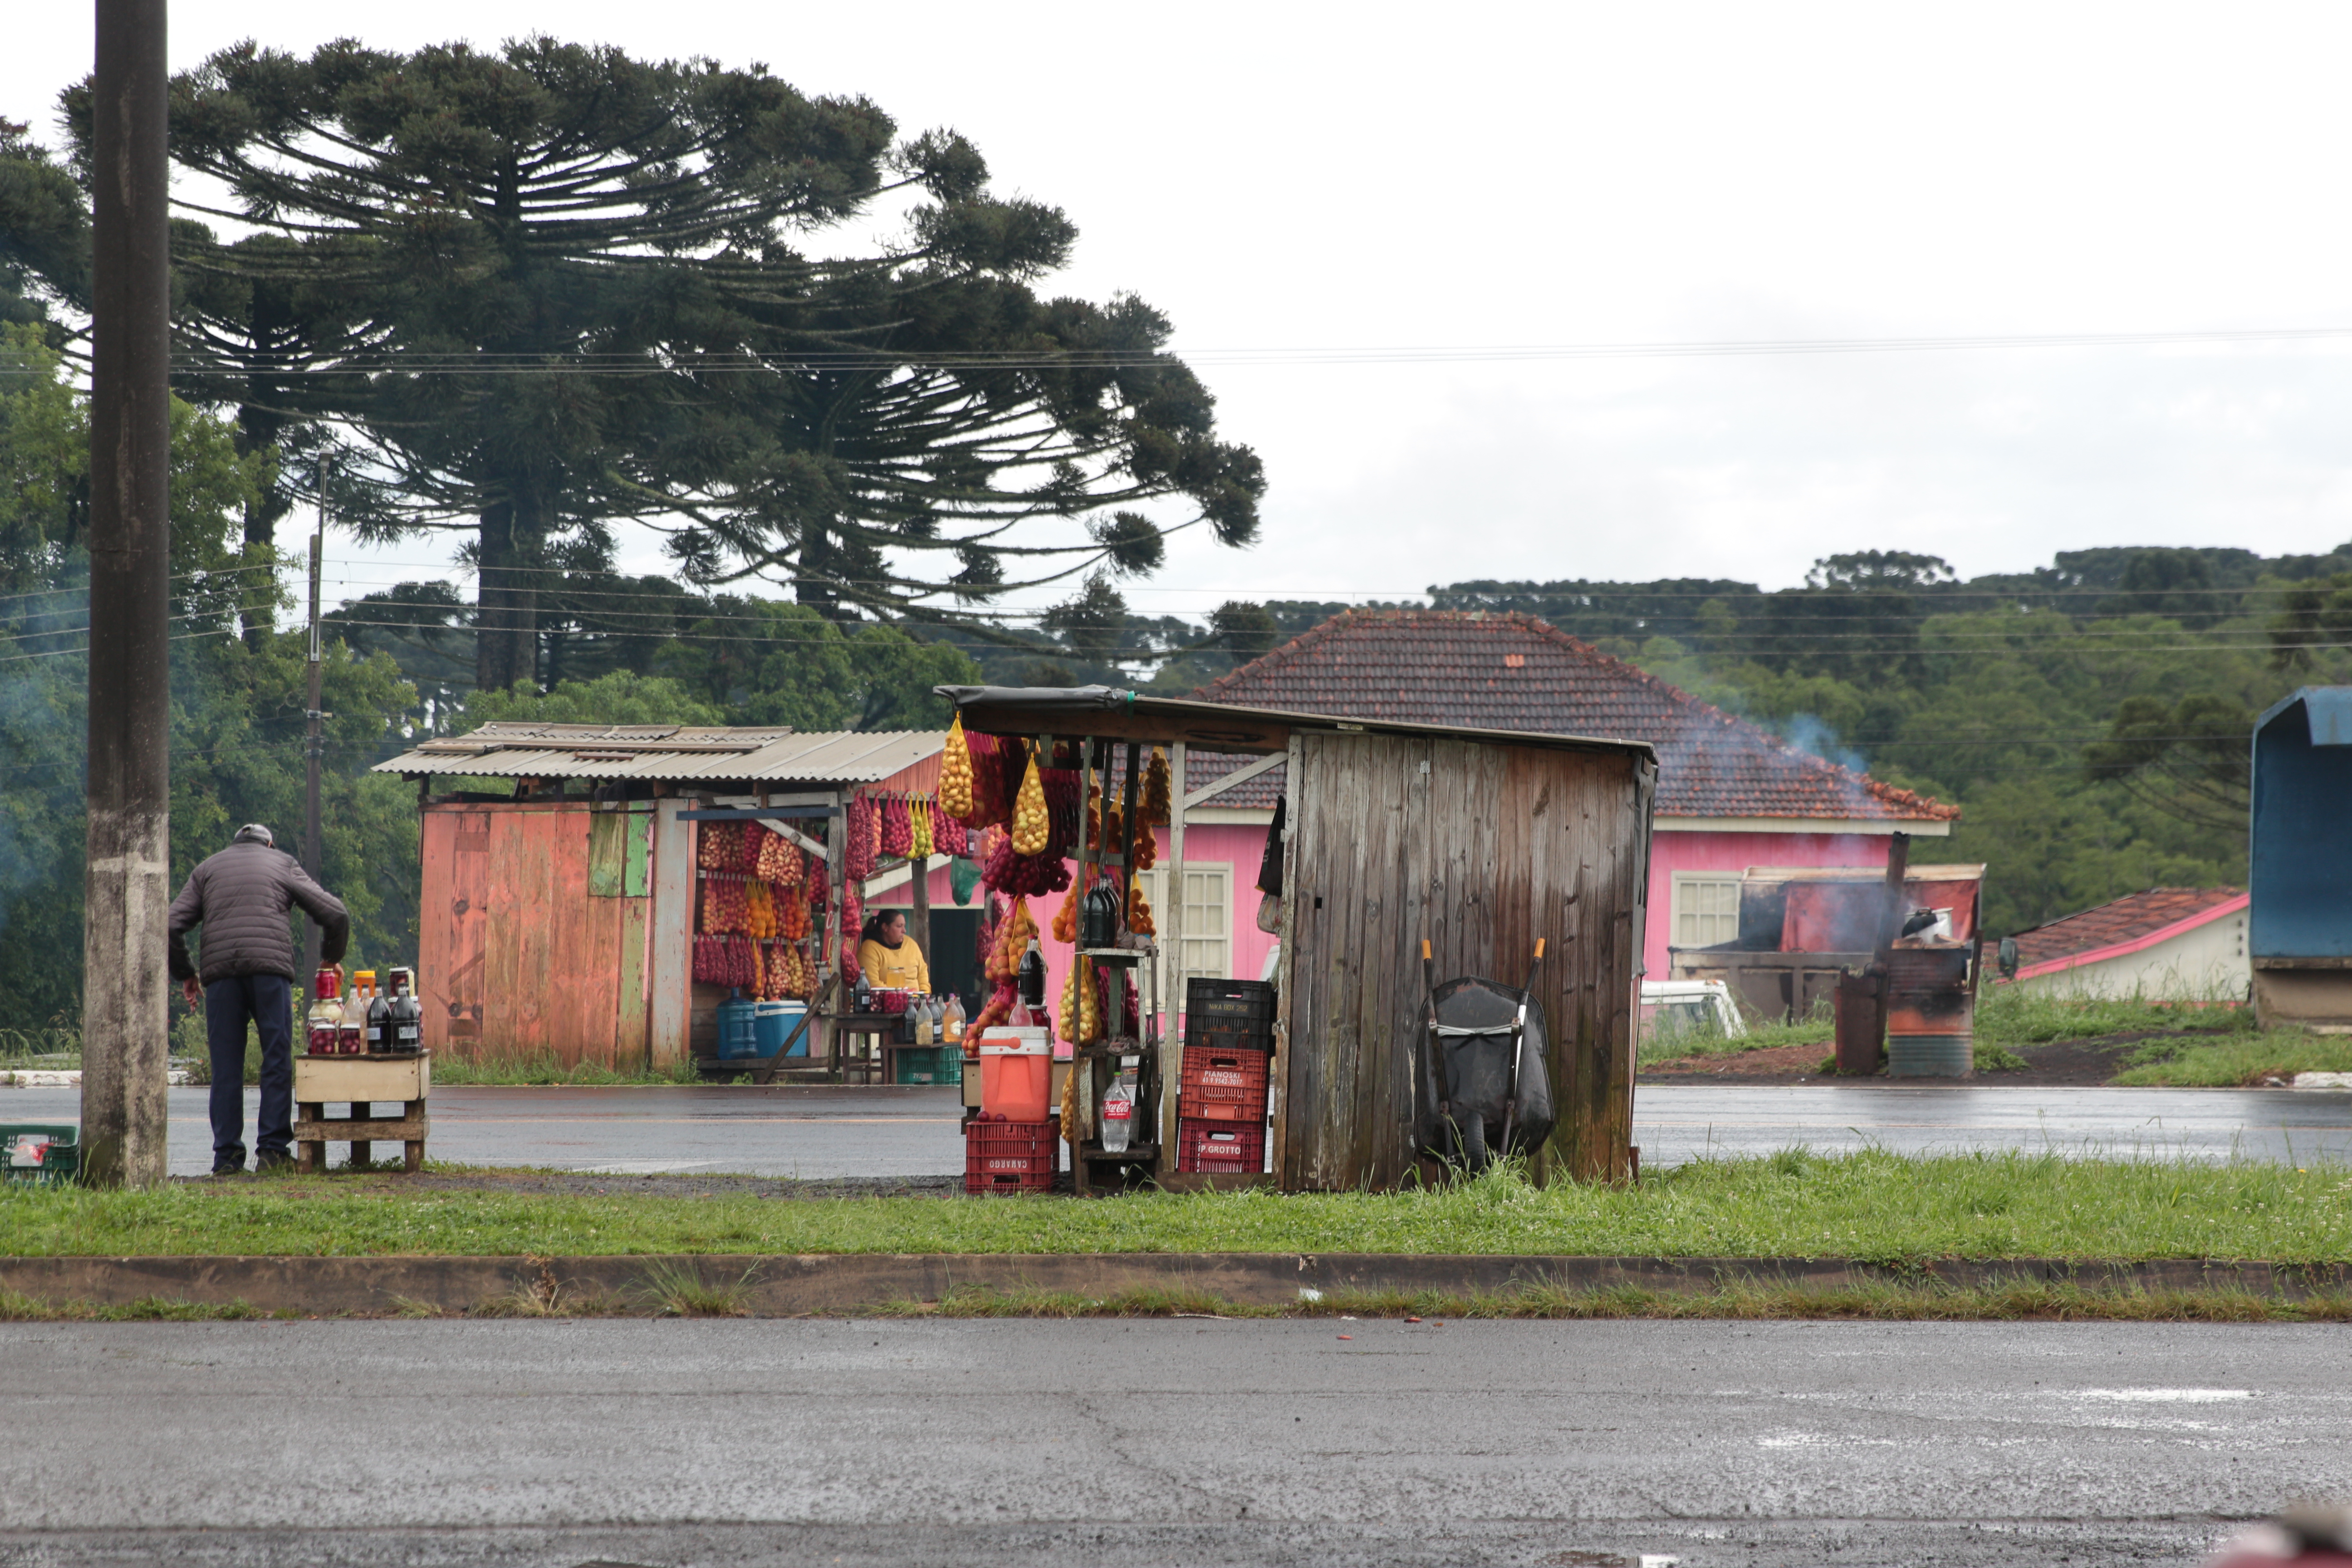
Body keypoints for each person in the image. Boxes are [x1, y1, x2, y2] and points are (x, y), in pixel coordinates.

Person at [167, 824, 350, 1176]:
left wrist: (187, 973)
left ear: (235, 844)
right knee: (276, 1059)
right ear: (269, 844)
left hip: (221, 977)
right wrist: (330, 958)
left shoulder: (207, 869)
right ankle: (272, 1153)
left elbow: (171, 924)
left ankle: (227, 1160)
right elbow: (336, 914)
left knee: (226, 1068)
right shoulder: (282, 863)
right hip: (269, 972)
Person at [858, 909, 931, 995]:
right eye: (899, 926)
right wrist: (902, 995)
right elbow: (872, 983)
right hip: (886, 1002)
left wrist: (925, 993)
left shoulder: (911, 944)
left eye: (904, 926)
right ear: (885, 927)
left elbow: (923, 972)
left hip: (917, 1000)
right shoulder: (869, 948)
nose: (904, 931)